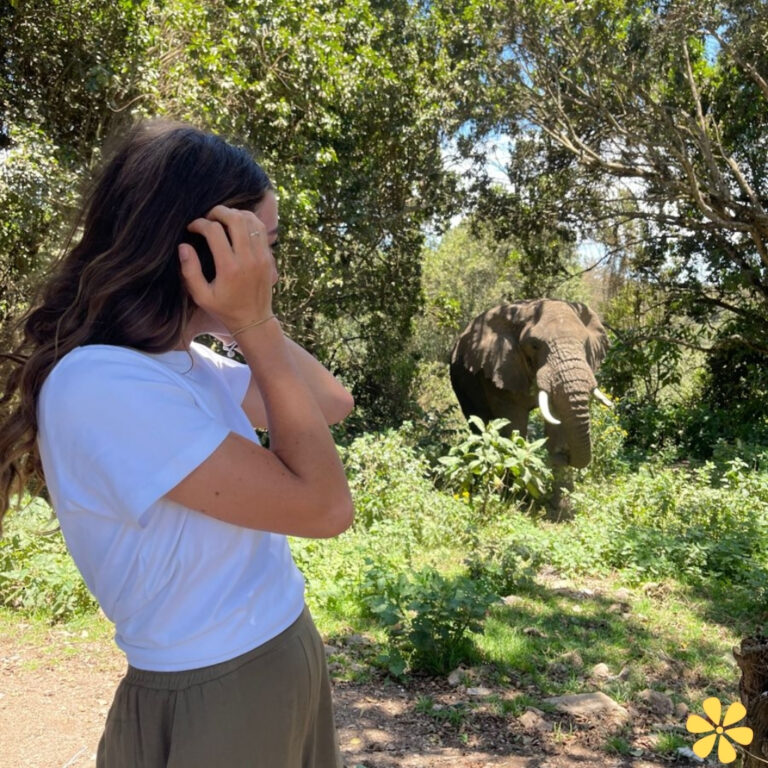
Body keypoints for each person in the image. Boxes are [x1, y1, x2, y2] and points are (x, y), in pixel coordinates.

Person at [0, 120, 355, 767]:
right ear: (195, 249)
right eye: (259, 244)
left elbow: (331, 402)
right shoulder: (101, 383)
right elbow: (326, 509)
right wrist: (252, 320)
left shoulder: (181, 361)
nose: (270, 268)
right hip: (218, 683)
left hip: (279, 649)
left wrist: (248, 325)